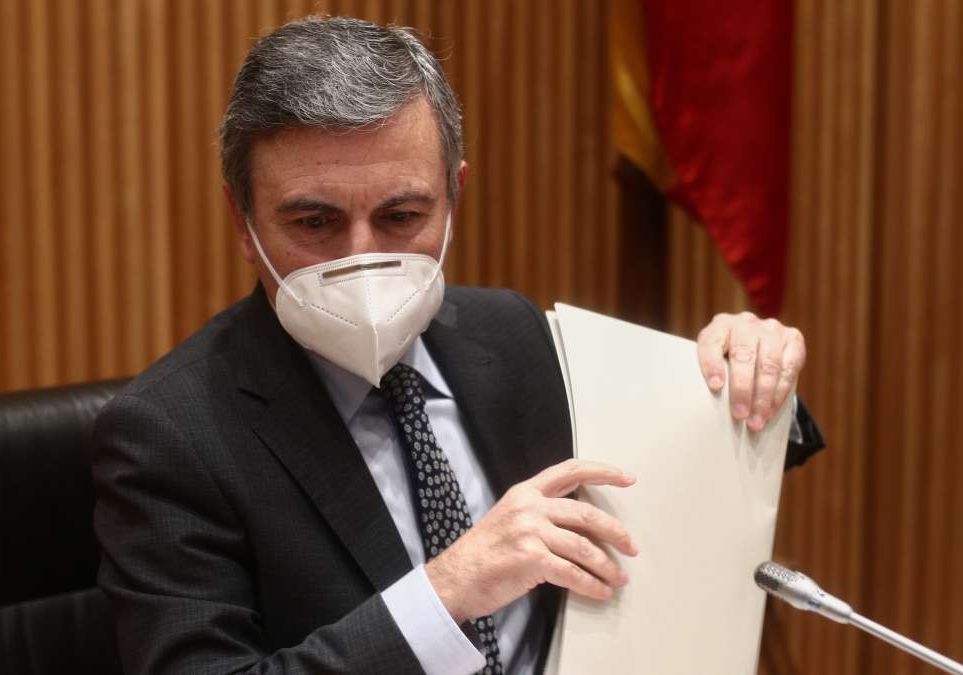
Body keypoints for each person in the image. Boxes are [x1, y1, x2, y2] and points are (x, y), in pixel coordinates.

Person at [91, 16, 824, 675]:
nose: (363, 256)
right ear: (244, 221)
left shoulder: (508, 331)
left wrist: (745, 374)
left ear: (455, 196)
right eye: (314, 223)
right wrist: (444, 594)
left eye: (402, 215)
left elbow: (676, 456)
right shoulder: (171, 433)